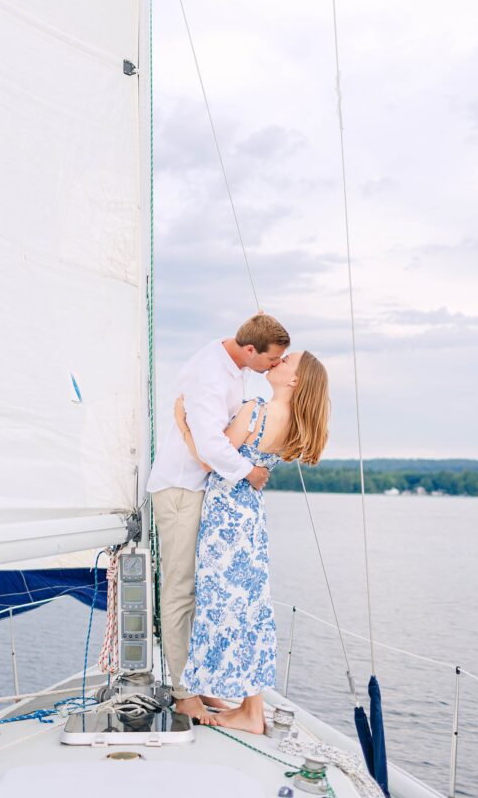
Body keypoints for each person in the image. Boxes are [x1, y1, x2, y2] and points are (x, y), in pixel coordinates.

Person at [147, 313, 291, 723]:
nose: (275, 366)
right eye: (273, 359)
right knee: (180, 589)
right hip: (181, 488)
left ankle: (198, 682)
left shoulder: (233, 364)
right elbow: (211, 444)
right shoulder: (212, 374)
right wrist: (251, 472)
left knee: (201, 589)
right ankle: (183, 692)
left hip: (201, 488)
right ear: (250, 350)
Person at [178, 350, 329, 734]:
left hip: (226, 519)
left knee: (223, 603)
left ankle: (236, 705)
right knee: (251, 607)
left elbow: (211, 461)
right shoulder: (293, 424)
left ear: (294, 381)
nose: (277, 362)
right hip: (251, 519)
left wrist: (183, 427)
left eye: (286, 362)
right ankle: (250, 708)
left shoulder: (255, 411)